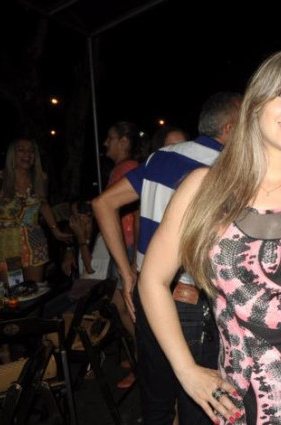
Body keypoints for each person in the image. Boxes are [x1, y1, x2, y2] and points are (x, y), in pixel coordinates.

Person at [138, 47, 281, 425]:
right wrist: (186, 369)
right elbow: (151, 280)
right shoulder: (203, 188)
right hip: (244, 400)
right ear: (257, 101)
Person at [92, 91, 242, 425]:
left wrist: (127, 274)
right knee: (199, 408)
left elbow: (102, 203)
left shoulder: (161, 157)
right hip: (193, 304)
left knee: (156, 403)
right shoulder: (229, 168)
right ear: (230, 128)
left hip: (148, 297)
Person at [0, 138, 71, 286]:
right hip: (6, 245)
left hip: (34, 243)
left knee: (34, 290)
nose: (27, 154)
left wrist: (56, 230)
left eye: (31, 151)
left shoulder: (41, 177)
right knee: (14, 293)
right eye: (21, 150)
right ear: (12, 154)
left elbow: (43, 203)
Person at [103, 120, 148, 388]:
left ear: (123, 141)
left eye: (109, 137)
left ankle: (145, 363)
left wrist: (132, 261)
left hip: (128, 247)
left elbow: (139, 213)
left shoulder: (129, 168)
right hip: (123, 247)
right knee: (120, 306)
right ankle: (140, 357)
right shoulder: (119, 169)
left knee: (128, 309)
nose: (105, 143)